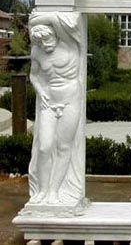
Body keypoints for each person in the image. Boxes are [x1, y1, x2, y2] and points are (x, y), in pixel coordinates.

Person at [28, 12, 84, 205]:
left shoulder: (68, 43)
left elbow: (61, 20)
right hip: (49, 101)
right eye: (41, 42)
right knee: (44, 147)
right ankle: (43, 191)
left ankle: (54, 191)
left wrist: (47, 17)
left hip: (70, 99)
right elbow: (34, 75)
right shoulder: (37, 51)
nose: (45, 45)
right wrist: (40, 90)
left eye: (48, 39)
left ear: (56, 34)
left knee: (64, 146)